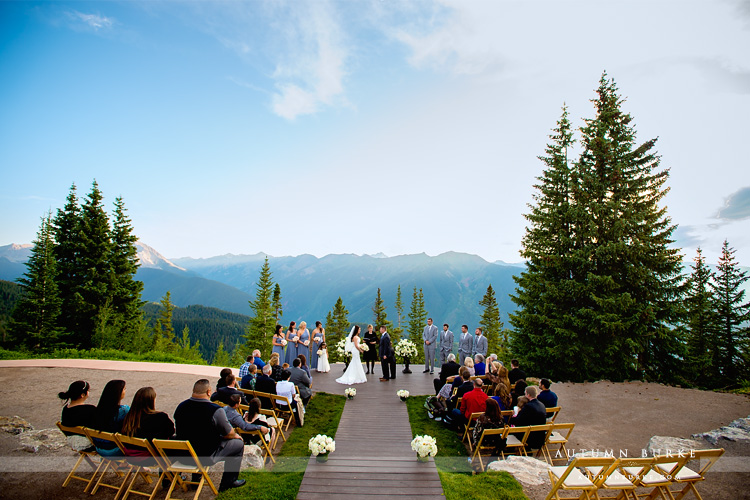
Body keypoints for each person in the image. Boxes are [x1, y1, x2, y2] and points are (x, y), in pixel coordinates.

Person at [174, 379, 245, 492]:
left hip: (183, 455)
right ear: (208, 392)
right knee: (238, 444)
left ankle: (195, 480)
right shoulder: (215, 410)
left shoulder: (181, 407)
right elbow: (229, 433)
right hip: (205, 456)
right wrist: (235, 435)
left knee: (194, 438)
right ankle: (228, 482)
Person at [91, 380, 129, 456]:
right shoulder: (123, 410)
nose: (125, 391)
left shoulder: (97, 410)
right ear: (118, 392)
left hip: (99, 448)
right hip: (115, 450)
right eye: (124, 389)